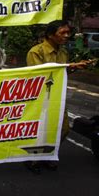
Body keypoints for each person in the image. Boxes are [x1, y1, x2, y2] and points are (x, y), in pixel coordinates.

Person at [25, 20, 91, 173]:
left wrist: (75, 67)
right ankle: (32, 159)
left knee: (63, 128)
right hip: (41, 98)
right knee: (40, 130)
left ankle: (47, 155)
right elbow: (39, 76)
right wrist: (67, 67)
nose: (67, 36)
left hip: (57, 96)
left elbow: (62, 72)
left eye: (68, 32)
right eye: (63, 33)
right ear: (50, 35)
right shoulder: (36, 52)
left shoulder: (63, 52)